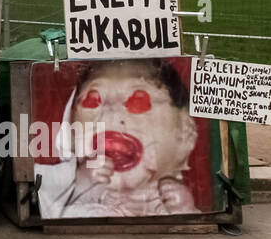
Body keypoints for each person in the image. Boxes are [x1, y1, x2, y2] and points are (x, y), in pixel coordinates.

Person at [37, 60, 201, 219]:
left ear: (184, 134)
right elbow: (53, 216)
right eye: (94, 100)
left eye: (138, 100)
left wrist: (185, 209)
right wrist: (81, 185)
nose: (111, 115)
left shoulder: (165, 200)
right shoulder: (66, 188)